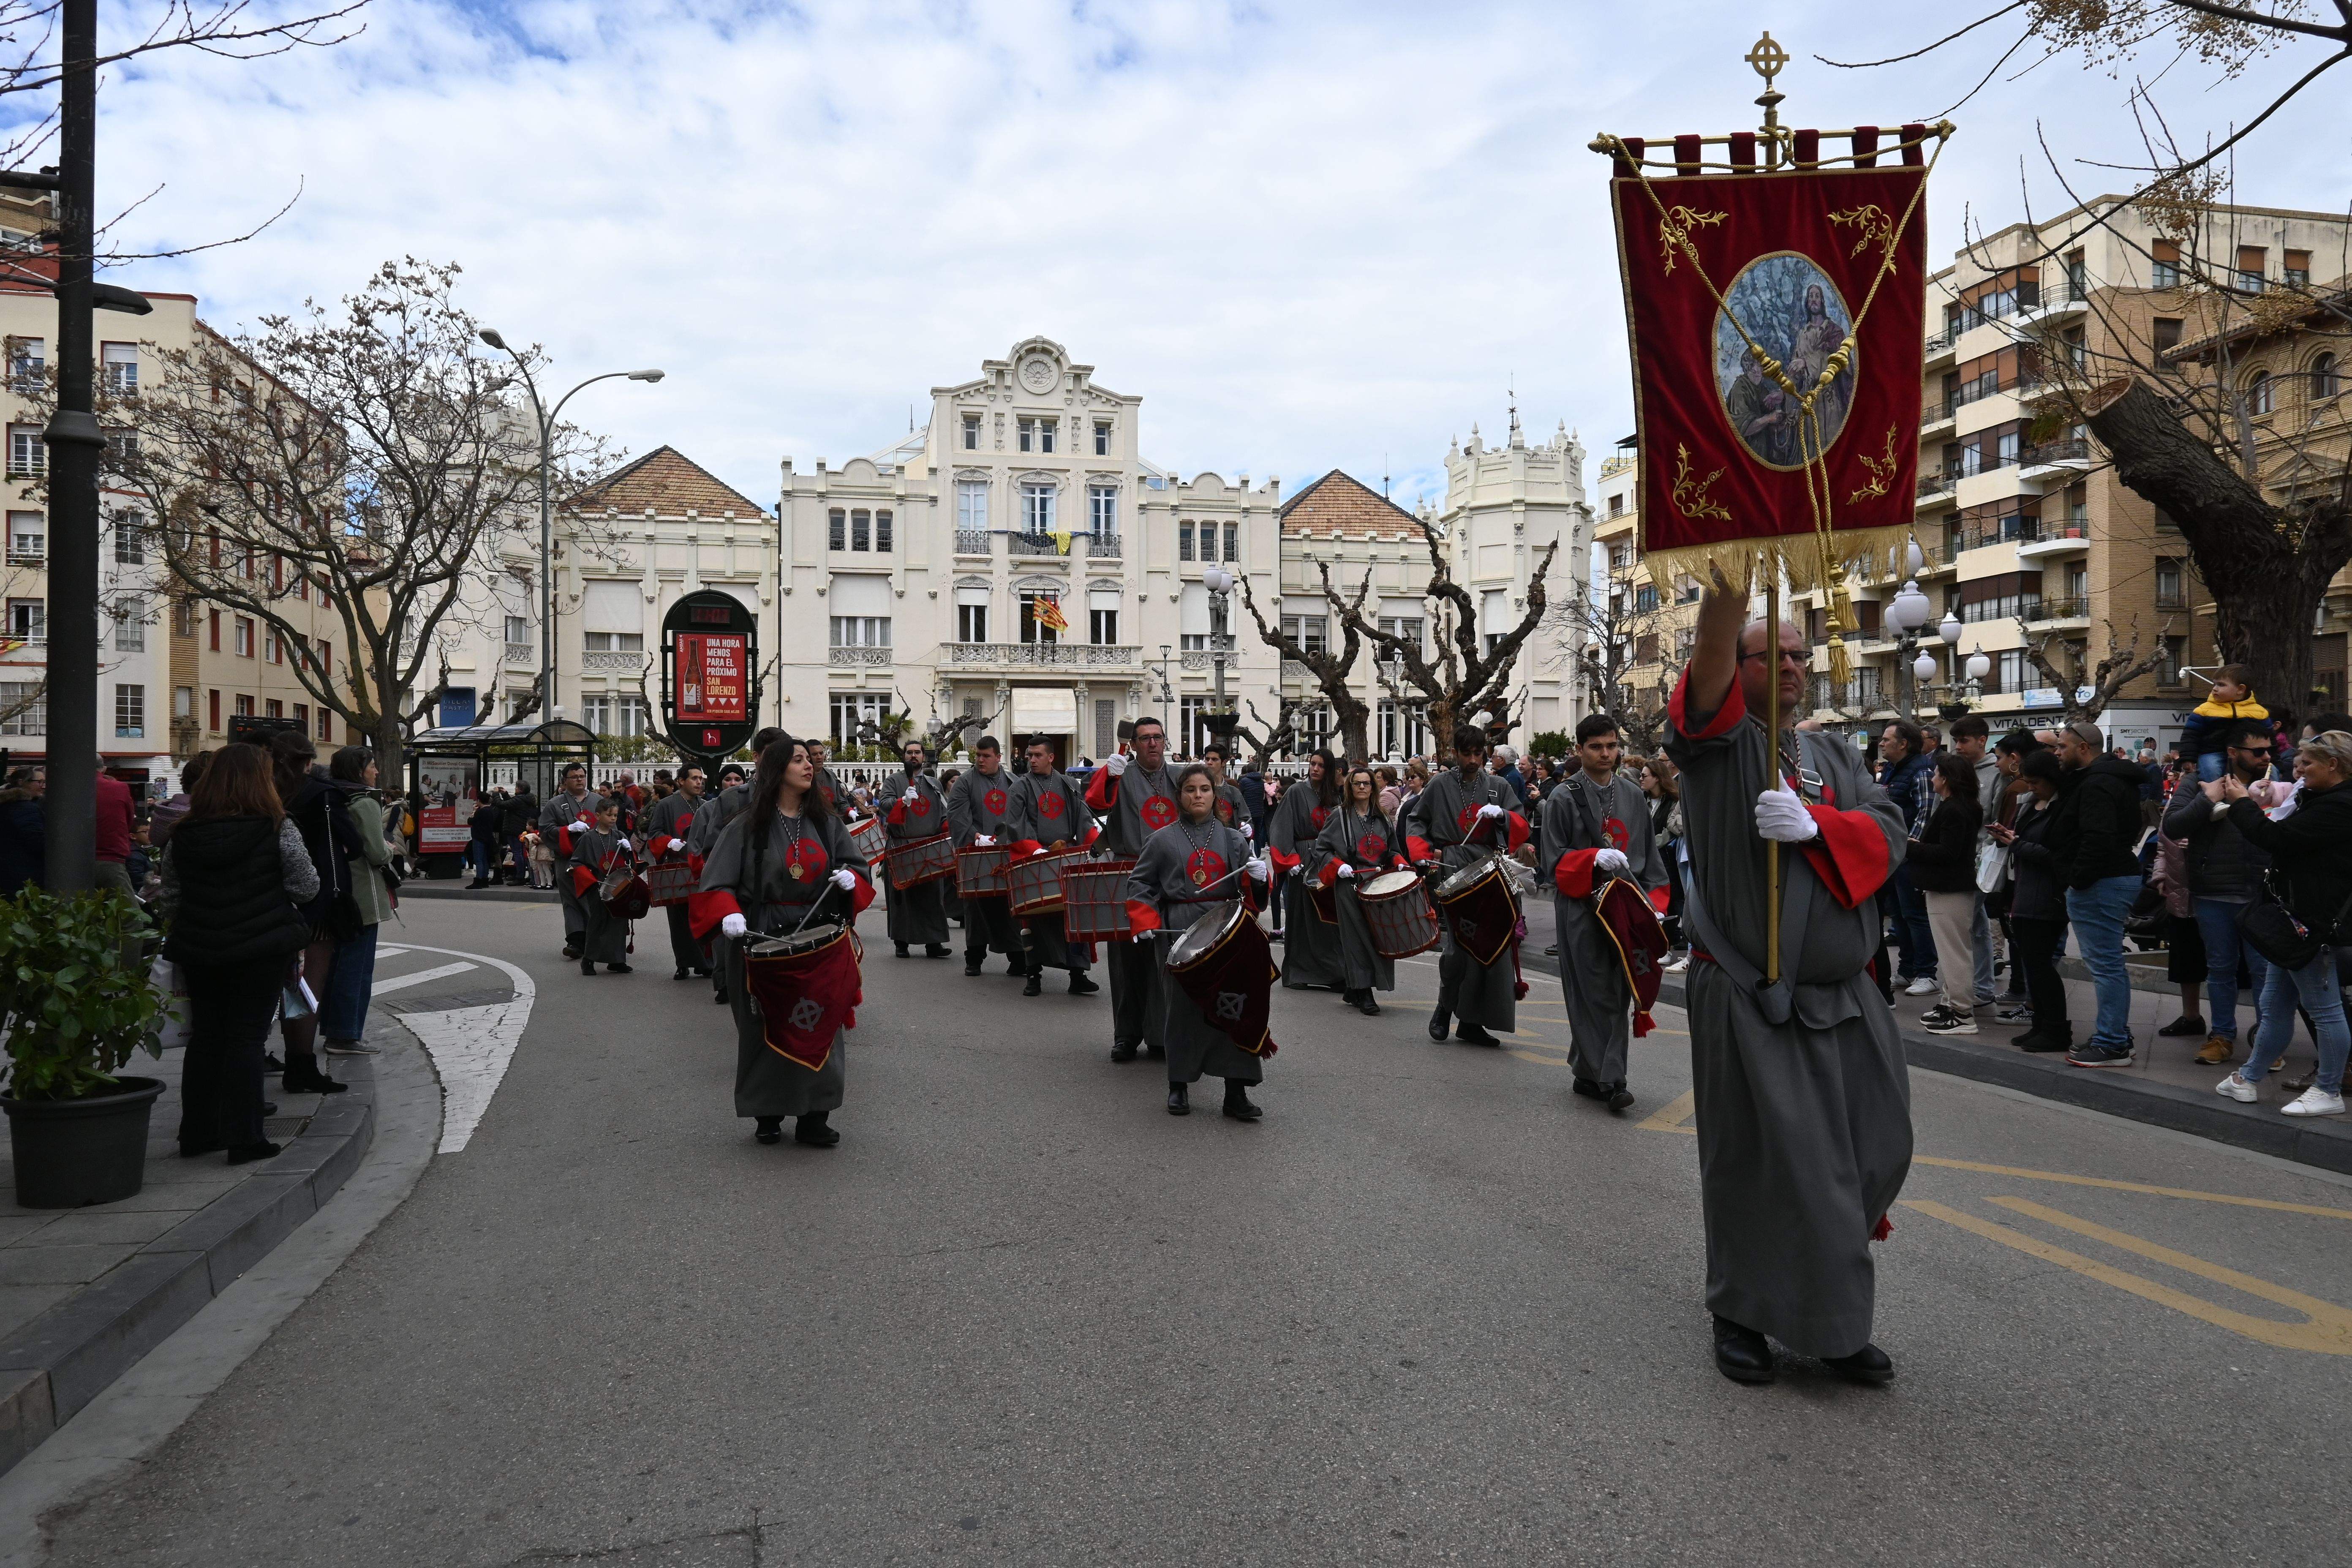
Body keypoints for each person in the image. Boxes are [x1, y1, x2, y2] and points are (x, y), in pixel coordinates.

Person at [1666, 579, 1910, 1386]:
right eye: (1772, 654)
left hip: (1845, 995)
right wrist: (1731, 579)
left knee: (1869, 1151)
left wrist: (1822, 829)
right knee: (1761, 1164)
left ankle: (1821, 1307)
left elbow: (1887, 827)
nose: (1795, 666)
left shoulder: (1834, 754)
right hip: (1750, 994)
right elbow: (1705, 663)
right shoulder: (1717, 742)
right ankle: (1747, 1314)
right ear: (1737, 668)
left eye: (1802, 654)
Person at [691, 735, 874, 1147]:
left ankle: (815, 1115)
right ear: (777, 769)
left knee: (821, 1025)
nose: (809, 766)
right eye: (798, 760)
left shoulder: (827, 823)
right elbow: (714, 884)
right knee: (764, 1028)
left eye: (810, 760)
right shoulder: (745, 825)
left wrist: (852, 880)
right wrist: (729, 911)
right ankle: (768, 1113)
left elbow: (857, 869)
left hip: (820, 940)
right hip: (762, 938)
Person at [160, 743, 317, 1165]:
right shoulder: (277, 827)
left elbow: (170, 898)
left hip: (200, 947)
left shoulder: (183, 834)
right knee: (246, 1038)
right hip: (262, 947)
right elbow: (306, 886)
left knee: (207, 1037)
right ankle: (245, 1137)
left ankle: (197, 1132)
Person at [2213, 729, 2352, 1115]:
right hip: (2292, 919)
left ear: (2334, 765)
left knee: (2324, 1009)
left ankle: (2329, 1091)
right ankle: (2247, 1078)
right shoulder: (2320, 797)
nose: (2299, 769)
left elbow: (2276, 839)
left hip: (2312, 922)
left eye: (2308, 762)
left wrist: (2241, 803)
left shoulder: (2340, 806)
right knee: (2275, 1006)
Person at [1123, 764, 1273, 1118]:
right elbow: (1140, 885)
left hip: (1227, 932)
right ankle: (1179, 1085)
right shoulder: (1160, 839)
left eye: (1204, 789)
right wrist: (1144, 920)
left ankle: (1235, 1091)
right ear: (1180, 796)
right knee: (1183, 1010)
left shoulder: (1234, 839)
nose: (1198, 796)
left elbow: (1252, 893)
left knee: (1234, 1006)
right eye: (1190, 790)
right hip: (1179, 930)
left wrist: (1260, 879)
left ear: (1215, 795)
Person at [1541, 713, 1668, 1105]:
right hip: (1582, 906)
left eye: (1612, 746)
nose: (1606, 754)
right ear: (1579, 750)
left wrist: (1655, 904)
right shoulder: (1563, 797)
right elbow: (1552, 861)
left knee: (1619, 990)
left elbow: (1648, 856)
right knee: (1593, 990)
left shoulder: (1632, 795)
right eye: (1596, 747)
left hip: (1626, 906)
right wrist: (1593, 858)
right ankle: (1613, 1079)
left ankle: (1589, 1072)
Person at [1407, 728, 1530, 1048]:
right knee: (1459, 950)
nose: (1474, 760)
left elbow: (1521, 824)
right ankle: (1444, 1008)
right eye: (1467, 754)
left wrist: (1504, 816)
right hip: (1453, 872)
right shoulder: (1438, 785)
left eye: (1479, 754)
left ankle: (1472, 1023)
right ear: (1457, 752)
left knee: (1491, 947)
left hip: (1491, 873)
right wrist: (1421, 852)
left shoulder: (1500, 786)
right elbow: (1416, 821)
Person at [2051, 719, 2148, 1068]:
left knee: (2106, 965)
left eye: (2062, 747)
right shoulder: (2113, 780)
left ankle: (2113, 1043)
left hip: (2102, 882)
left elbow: (2097, 838)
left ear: (2083, 748)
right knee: (2108, 964)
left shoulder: (2097, 784)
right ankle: (2116, 1035)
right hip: (2110, 878)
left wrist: (2077, 879)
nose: (2058, 753)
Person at [1083, 717, 1179, 1058]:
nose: (1152, 743)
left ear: (1164, 742)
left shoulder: (1181, 778)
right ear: (1134, 744)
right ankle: (1126, 1035)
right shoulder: (1121, 774)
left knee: (1166, 957)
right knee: (1126, 962)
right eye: (1145, 739)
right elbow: (1095, 803)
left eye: (1157, 737)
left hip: (1173, 878)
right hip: (1128, 873)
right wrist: (1108, 775)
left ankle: (1161, 1035)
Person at [270, 730, 354, 1097]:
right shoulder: (321, 795)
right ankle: (301, 1066)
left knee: (281, 990)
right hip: (315, 906)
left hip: (269, 905)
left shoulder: (265, 794)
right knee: (306, 989)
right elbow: (351, 842)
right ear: (308, 761)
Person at [1004, 736, 1100, 999]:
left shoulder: (1069, 785)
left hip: (1066, 858)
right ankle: (1033, 977)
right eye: (1029, 755)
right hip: (1032, 859)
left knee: (1074, 916)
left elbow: (1083, 820)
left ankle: (1078, 976)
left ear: (1051, 757)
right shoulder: (1019, 787)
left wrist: (1095, 846)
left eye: (1037, 755)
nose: (1032, 760)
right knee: (1033, 919)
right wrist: (1035, 849)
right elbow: (1015, 823)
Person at [1309, 764, 1406, 1016]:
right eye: (1357, 783)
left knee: (1378, 937)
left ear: (1373, 787)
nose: (1362, 787)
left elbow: (1393, 850)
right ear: (1350, 788)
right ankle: (1364, 992)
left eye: (1367, 783)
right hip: (1349, 884)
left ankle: (1354, 988)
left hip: (1378, 885)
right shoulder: (1339, 816)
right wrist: (1338, 865)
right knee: (1356, 938)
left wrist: (1400, 863)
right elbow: (1321, 850)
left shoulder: (1383, 816)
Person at [1991, 751, 2072, 1052]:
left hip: (2046, 897)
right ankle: (2041, 1024)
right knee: (2031, 965)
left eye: (2037, 782)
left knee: (2041, 966)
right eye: (2029, 781)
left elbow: (2058, 856)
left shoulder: (2062, 809)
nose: (2032, 787)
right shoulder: (2033, 805)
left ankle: (2056, 1029)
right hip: (2024, 893)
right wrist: (2009, 837)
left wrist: (2019, 844)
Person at [319, 747, 395, 1056]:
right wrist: (391, 849)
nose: (376, 772)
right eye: (373, 767)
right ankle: (345, 1035)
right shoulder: (364, 802)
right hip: (364, 894)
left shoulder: (333, 796)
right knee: (358, 967)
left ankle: (333, 1028)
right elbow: (376, 853)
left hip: (337, 890)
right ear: (358, 769)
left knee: (338, 965)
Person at [1906, 753, 1987, 1035]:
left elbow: (1948, 853)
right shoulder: (1964, 806)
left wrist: (1911, 846)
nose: (1932, 778)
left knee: (1954, 953)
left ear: (1947, 779)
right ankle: (1950, 1003)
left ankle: (1962, 1014)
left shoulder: (1954, 809)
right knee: (1954, 950)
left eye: (1937, 774)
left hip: (1949, 888)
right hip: (1953, 887)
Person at [947, 736, 1027, 978]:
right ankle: (974, 959)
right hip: (976, 855)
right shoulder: (965, 783)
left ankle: (1017, 958)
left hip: (1006, 854)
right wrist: (975, 836)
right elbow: (957, 816)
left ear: (998, 757)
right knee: (976, 907)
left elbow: (1022, 816)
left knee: (1010, 906)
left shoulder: (1013, 781)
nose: (980, 760)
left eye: (986, 756)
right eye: (978, 756)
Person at [1269, 749, 1346, 992]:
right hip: (1303, 859)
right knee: (1301, 917)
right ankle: (1299, 973)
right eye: (1313, 764)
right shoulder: (1295, 792)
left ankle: (1335, 974)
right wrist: (1289, 860)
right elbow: (1281, 826)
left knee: (1329, 919)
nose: (1315, 768)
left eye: (1321, 765)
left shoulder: (1337, 795)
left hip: (1330, 861)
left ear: (1330, 769)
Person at [1876, 719, 1938, 996]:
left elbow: (1926, 811)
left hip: (1909, 856)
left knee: (1914, 914)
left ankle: (1928, 973)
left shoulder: (1921, 770)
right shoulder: (1892, 770)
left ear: (1903, 744)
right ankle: (1907, 969)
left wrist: (1909, 846)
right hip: (1892, 854)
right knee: (1898, 915)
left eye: (1887, 740)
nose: (1881, 743)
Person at [883, 739, 953, 959]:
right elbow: (884, 805)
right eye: (909, 753)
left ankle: (934, 944)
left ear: (924, 757)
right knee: (902, 898)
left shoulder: (934, 784)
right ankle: (901, 943)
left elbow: (943, 813)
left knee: (932, 897)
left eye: (918, 752)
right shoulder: (893, 781)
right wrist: (902, 801)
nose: (914, 756)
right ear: (904, 756)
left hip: (929, 848)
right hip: (902, 846)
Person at [642, 764, 708, 980]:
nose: (699, 782)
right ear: (681, 781)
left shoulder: (706, 806)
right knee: (679, 919)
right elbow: (654, 834)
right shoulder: (666, 805)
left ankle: (704, 963)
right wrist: (669, 842)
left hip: (701, 868)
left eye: (701, 779)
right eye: (694, 779)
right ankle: (683, 963)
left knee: (702, 916)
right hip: (677, 867)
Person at [539, 762, 605, 961]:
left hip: (596, 861)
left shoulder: (598, 800)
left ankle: (599, 939)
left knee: (597, 900)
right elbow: (545, 829)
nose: (579, 780)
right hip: (568, 860)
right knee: (572, 901)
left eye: (582, 776)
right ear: (565, 781)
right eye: (574, 777)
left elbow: (612, 822)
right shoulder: (556, 804)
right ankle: (576, 941)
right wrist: (566, 830)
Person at [2184, 664, 2269, 783]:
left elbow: (2270, 737)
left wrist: (2273, 758)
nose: (2215, 689)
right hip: (2213, 752)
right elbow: (2191, 736)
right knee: (2211, 769)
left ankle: (2269, 798)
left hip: (2248, 755)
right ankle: (2214, 798)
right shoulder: (2204, 710)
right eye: (2215, 684)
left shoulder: (2259, 712)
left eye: (2221, 685)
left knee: (2271, 771)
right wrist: (2188, 758)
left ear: (2241, 689)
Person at [0, 764, 44, 895]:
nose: (43, 786)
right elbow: (37, 842)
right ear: (22, 782)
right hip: (24, 875)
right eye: (39, 782)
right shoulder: (26, 808)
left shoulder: (7, 804)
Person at [501, 784, 537, 886]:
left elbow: (502, 805)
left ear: (521, 789)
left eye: (517, 787)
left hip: (514, 829)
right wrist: (506, 795)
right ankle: (523, 876)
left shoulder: (519, 800)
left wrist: (495, 794)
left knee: (518, 854)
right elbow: (511, 805)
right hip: (520, 829)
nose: (515, 789)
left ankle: (520, 877)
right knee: (521, 854)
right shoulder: (525, 800)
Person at [467, 792, 502, 887]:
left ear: (479, 801)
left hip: (478, 837)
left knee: (478, 860)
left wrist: (474, 812)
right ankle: (485, 880)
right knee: (485, 860)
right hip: (488, 837)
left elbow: (470, 821)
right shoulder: (491, 811)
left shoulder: (481, 812)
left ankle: (478, 880)